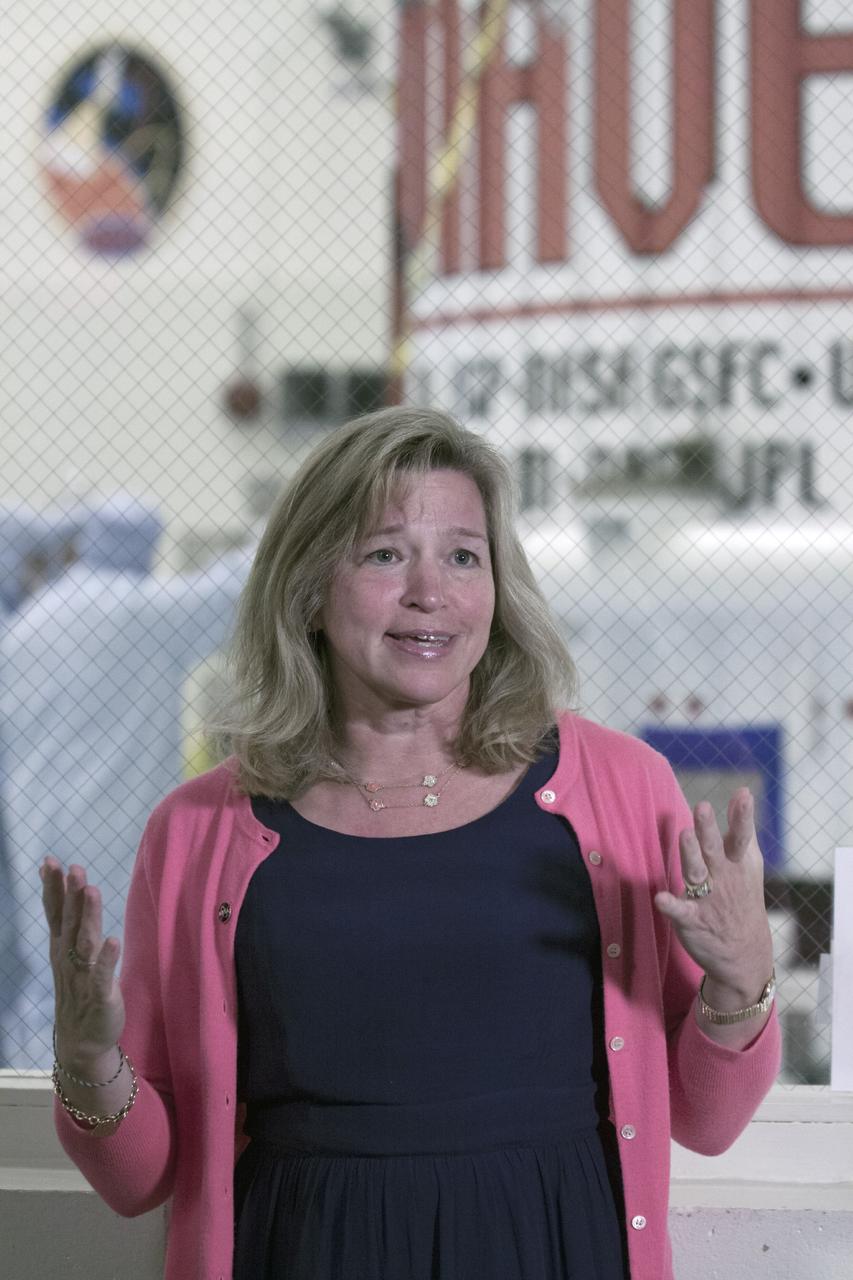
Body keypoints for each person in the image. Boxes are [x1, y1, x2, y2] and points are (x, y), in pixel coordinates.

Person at [41, 409, 780, 1280]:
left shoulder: (624, 785)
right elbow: (144, 1178)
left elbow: (707, 1118)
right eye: (385, 554)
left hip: (553, 1247)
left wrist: (739, 980)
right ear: (310, 587)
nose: (430, 592)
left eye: (464, 556)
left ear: (498, 588)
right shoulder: (197, 829)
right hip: (306, 1251)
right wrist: (89, 1061)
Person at [1, 493, 252, 1067]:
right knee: (122, 966)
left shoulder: (26, 627)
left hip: (36, 830)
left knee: (54, 973)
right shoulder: (136, 609)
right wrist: (294, 521)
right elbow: (234, 591)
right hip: (117, 831)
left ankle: (32, 1110)